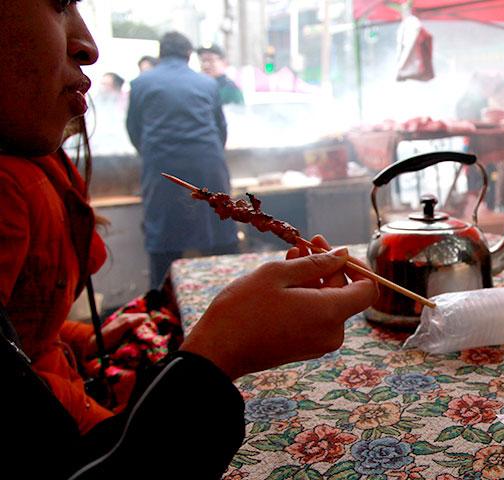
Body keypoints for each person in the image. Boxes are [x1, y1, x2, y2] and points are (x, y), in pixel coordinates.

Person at [0, 2, 377, 477]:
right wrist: (221, 354)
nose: (88, 47)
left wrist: (79, 337)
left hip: (166, 175)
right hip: (203, 170)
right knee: (207, 251)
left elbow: (19, 325)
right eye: (59, 3)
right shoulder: (12, 181)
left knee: (167, 256)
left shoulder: (123, 99)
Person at [127, 32, 239, 290]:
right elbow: (220, 131)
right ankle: (233, 298)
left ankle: (161, 311)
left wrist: (155, 156)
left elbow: (134, 130)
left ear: (160, 53)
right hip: (208, 168)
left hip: (163, 170)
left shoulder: (140, 83)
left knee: (165, 241)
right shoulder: (207, 84)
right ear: (189, 54)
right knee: (219, 238)